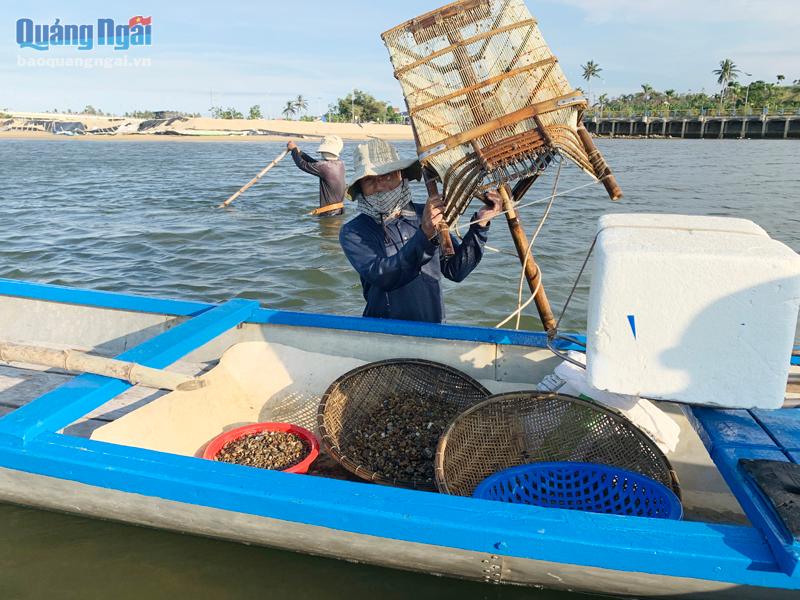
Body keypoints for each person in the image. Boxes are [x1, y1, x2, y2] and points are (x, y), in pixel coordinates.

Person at [339, 139, 502, 323]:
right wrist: (425, 235)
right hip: (382, 332)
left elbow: (456, 270)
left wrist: (479, 226)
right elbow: (383, 275)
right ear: (360, 187)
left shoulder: (422, 215)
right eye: (370, 180)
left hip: (433, 327)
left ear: (402, 176)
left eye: (388, 175)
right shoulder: (354, 231)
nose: (381, 185)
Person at [287, 136, 346, 216]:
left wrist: (293, 150)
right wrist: (300, 152)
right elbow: (314, 163)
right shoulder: (340, 164)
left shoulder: (324, 166)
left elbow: (302, 164)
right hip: (339, 211)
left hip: (329, 214)